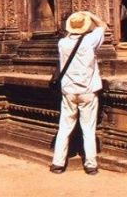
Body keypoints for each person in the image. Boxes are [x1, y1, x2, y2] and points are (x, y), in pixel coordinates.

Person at [50, 10, 106, 175]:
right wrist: (88, 14)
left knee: (64, 128)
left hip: (69, 91)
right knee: (88, 129)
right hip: (87, 90)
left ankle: (58, 163)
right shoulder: (90, 41)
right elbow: (103, 26)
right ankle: (90, 165)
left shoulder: (62, 43)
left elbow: (68, 36)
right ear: (85, 27)